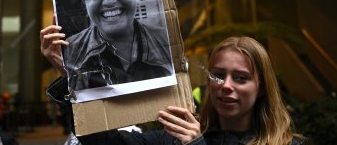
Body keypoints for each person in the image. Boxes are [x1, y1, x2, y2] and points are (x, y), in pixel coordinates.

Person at [41, 31, 305, 144]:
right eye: (218, 75)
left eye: (241, 78)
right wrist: (71, 74)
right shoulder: (175, 137)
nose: (226, 86)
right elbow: (103, 142)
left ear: (261, 88)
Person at [59, 0, 172, 91]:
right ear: (84, 1)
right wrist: (62, 69)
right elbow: (77, 109)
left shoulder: (167, 41)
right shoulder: (70, 50)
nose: (109, 1)